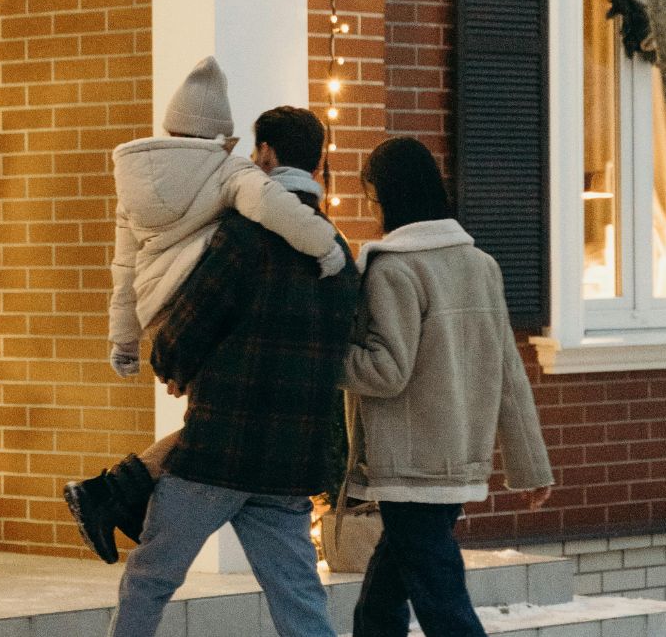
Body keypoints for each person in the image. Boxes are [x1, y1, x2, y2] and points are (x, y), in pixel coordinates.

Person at [63, 59, 345, 564]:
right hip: (197, 297)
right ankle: (108, 494)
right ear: (226, 136)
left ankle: (110, 495)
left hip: (160, 309)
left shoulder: (131, 179)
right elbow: (275, 210)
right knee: (222, 424)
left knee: (215, 423)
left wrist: (125, 341)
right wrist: (327, 247)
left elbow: (122, 268)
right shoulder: (231, 173)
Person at [109, 106, 359, 637]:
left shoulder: (241, 236)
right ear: (315, 164)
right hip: (290, 460)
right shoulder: (336, 250)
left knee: (150, 578)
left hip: (217, 452)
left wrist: (169, 364)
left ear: (265, 155)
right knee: (298, 596)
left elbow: (192, 321)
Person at [338, 137, 554, 637]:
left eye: (371, 198)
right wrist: (532, 465)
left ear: (388, 197)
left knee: (442, 602)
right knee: (380, 604)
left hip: (409, 466)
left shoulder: (393, 269)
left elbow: (385, 371)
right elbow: (508, 373)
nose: (372, 210)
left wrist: (321, 358)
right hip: (457, 459)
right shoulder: (481, 265)